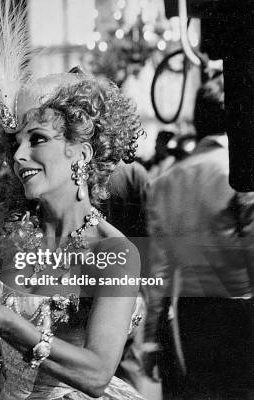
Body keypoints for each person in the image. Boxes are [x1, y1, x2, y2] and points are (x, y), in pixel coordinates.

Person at [0, 1, 144, 398]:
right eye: (15, 142)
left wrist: (9, 324)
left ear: (81, 152)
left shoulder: (114, 251)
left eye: (38, 139)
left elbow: (96, 374)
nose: (18, 155)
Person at [144, 74, 254, 399]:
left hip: (188, 316)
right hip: (241, 311)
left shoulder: (165, 182)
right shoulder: (242, 175)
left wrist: (151, 337)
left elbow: (158, 272)